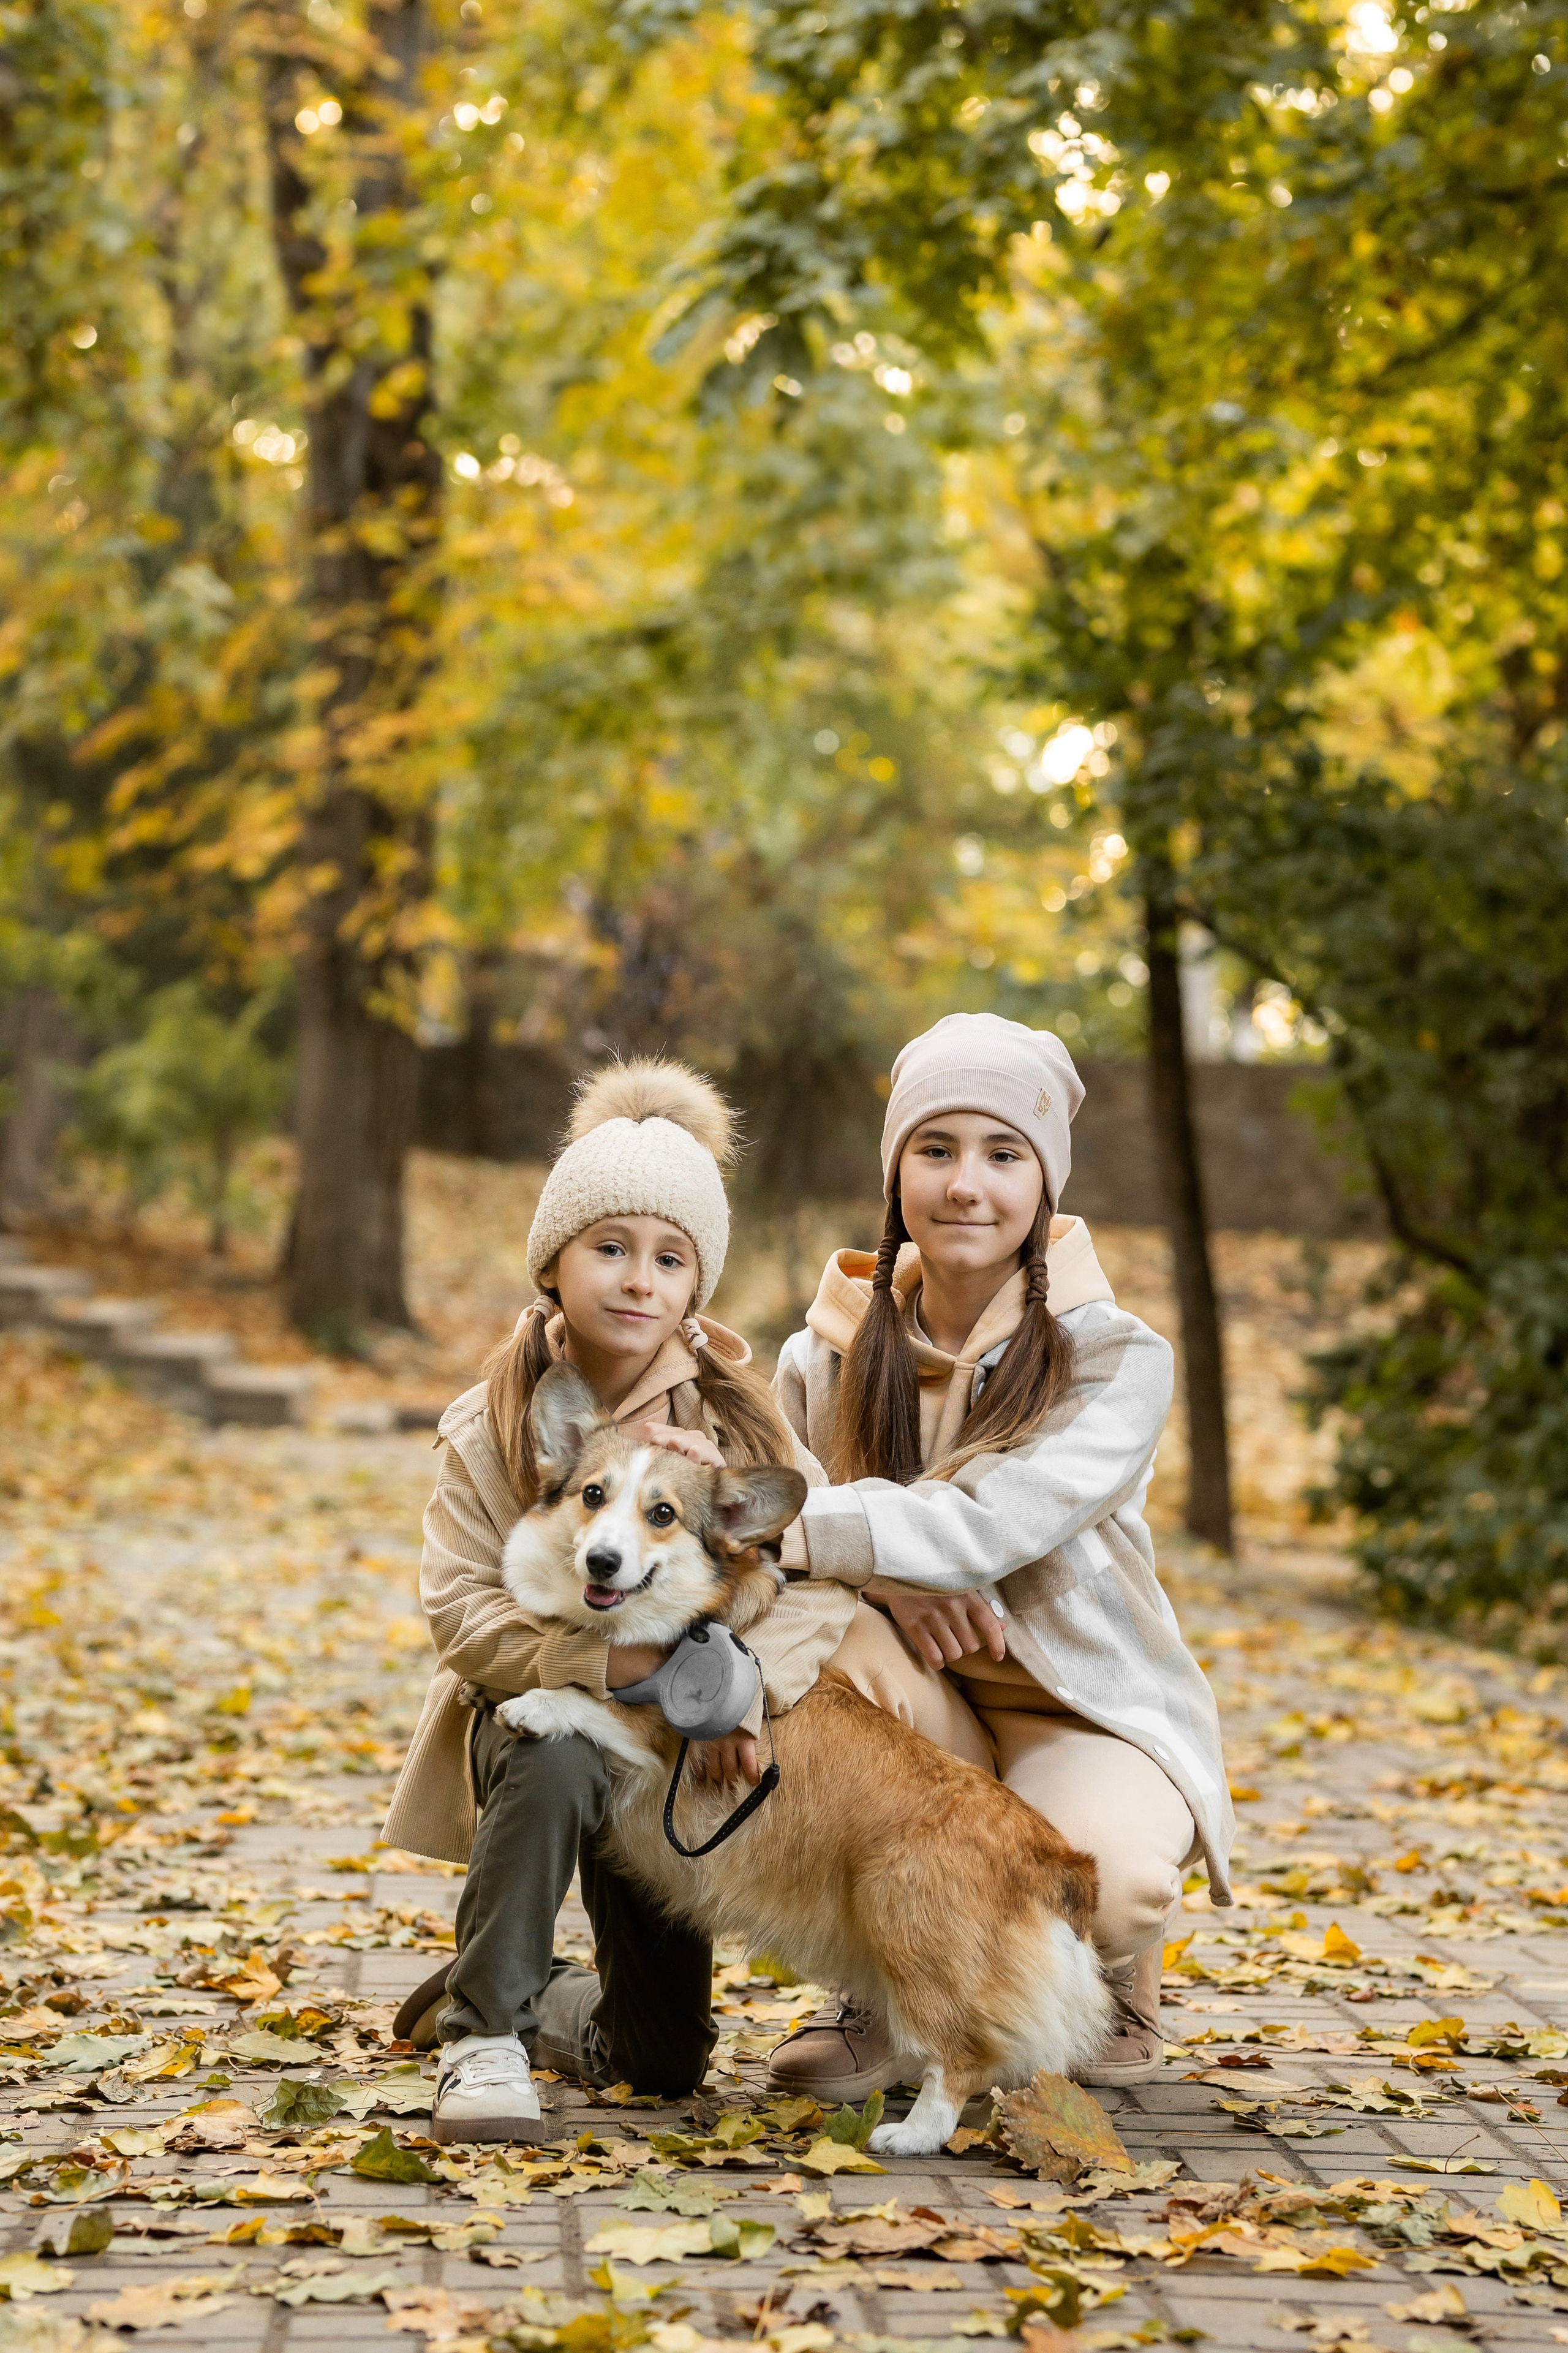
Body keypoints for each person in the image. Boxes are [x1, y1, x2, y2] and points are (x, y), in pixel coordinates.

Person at [763, 1011, 1234, 2098]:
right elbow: (765, 1539)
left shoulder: (1116, 1358)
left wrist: (839, 1537)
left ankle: (1118, 1969)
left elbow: (992, 1522)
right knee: (780, 1676)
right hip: (922, 1698)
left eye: (1001, 1153)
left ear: (1045, 1187)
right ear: (895, 1177)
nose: (965, 1185)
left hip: (1076, 1705)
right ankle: (890, 1986)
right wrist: (879, 1576)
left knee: (1097, 1887)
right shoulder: (821, 1354)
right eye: (935, 1150)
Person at [381, 1060, 853, 2142]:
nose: (639, 1280)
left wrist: (740, 1688)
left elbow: (824, 1577)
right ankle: (482, 2035)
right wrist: (605, 1668)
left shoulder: (738, 1429)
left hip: (674, 1750)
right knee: (552, 1747)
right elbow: (460, 1613)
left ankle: (530, 1986)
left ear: (696, 1285)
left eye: (669, 1258)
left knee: (664, 2058)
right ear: (555, 1260)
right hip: (534, 1720)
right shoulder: (486, 1420)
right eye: (611, 1247)